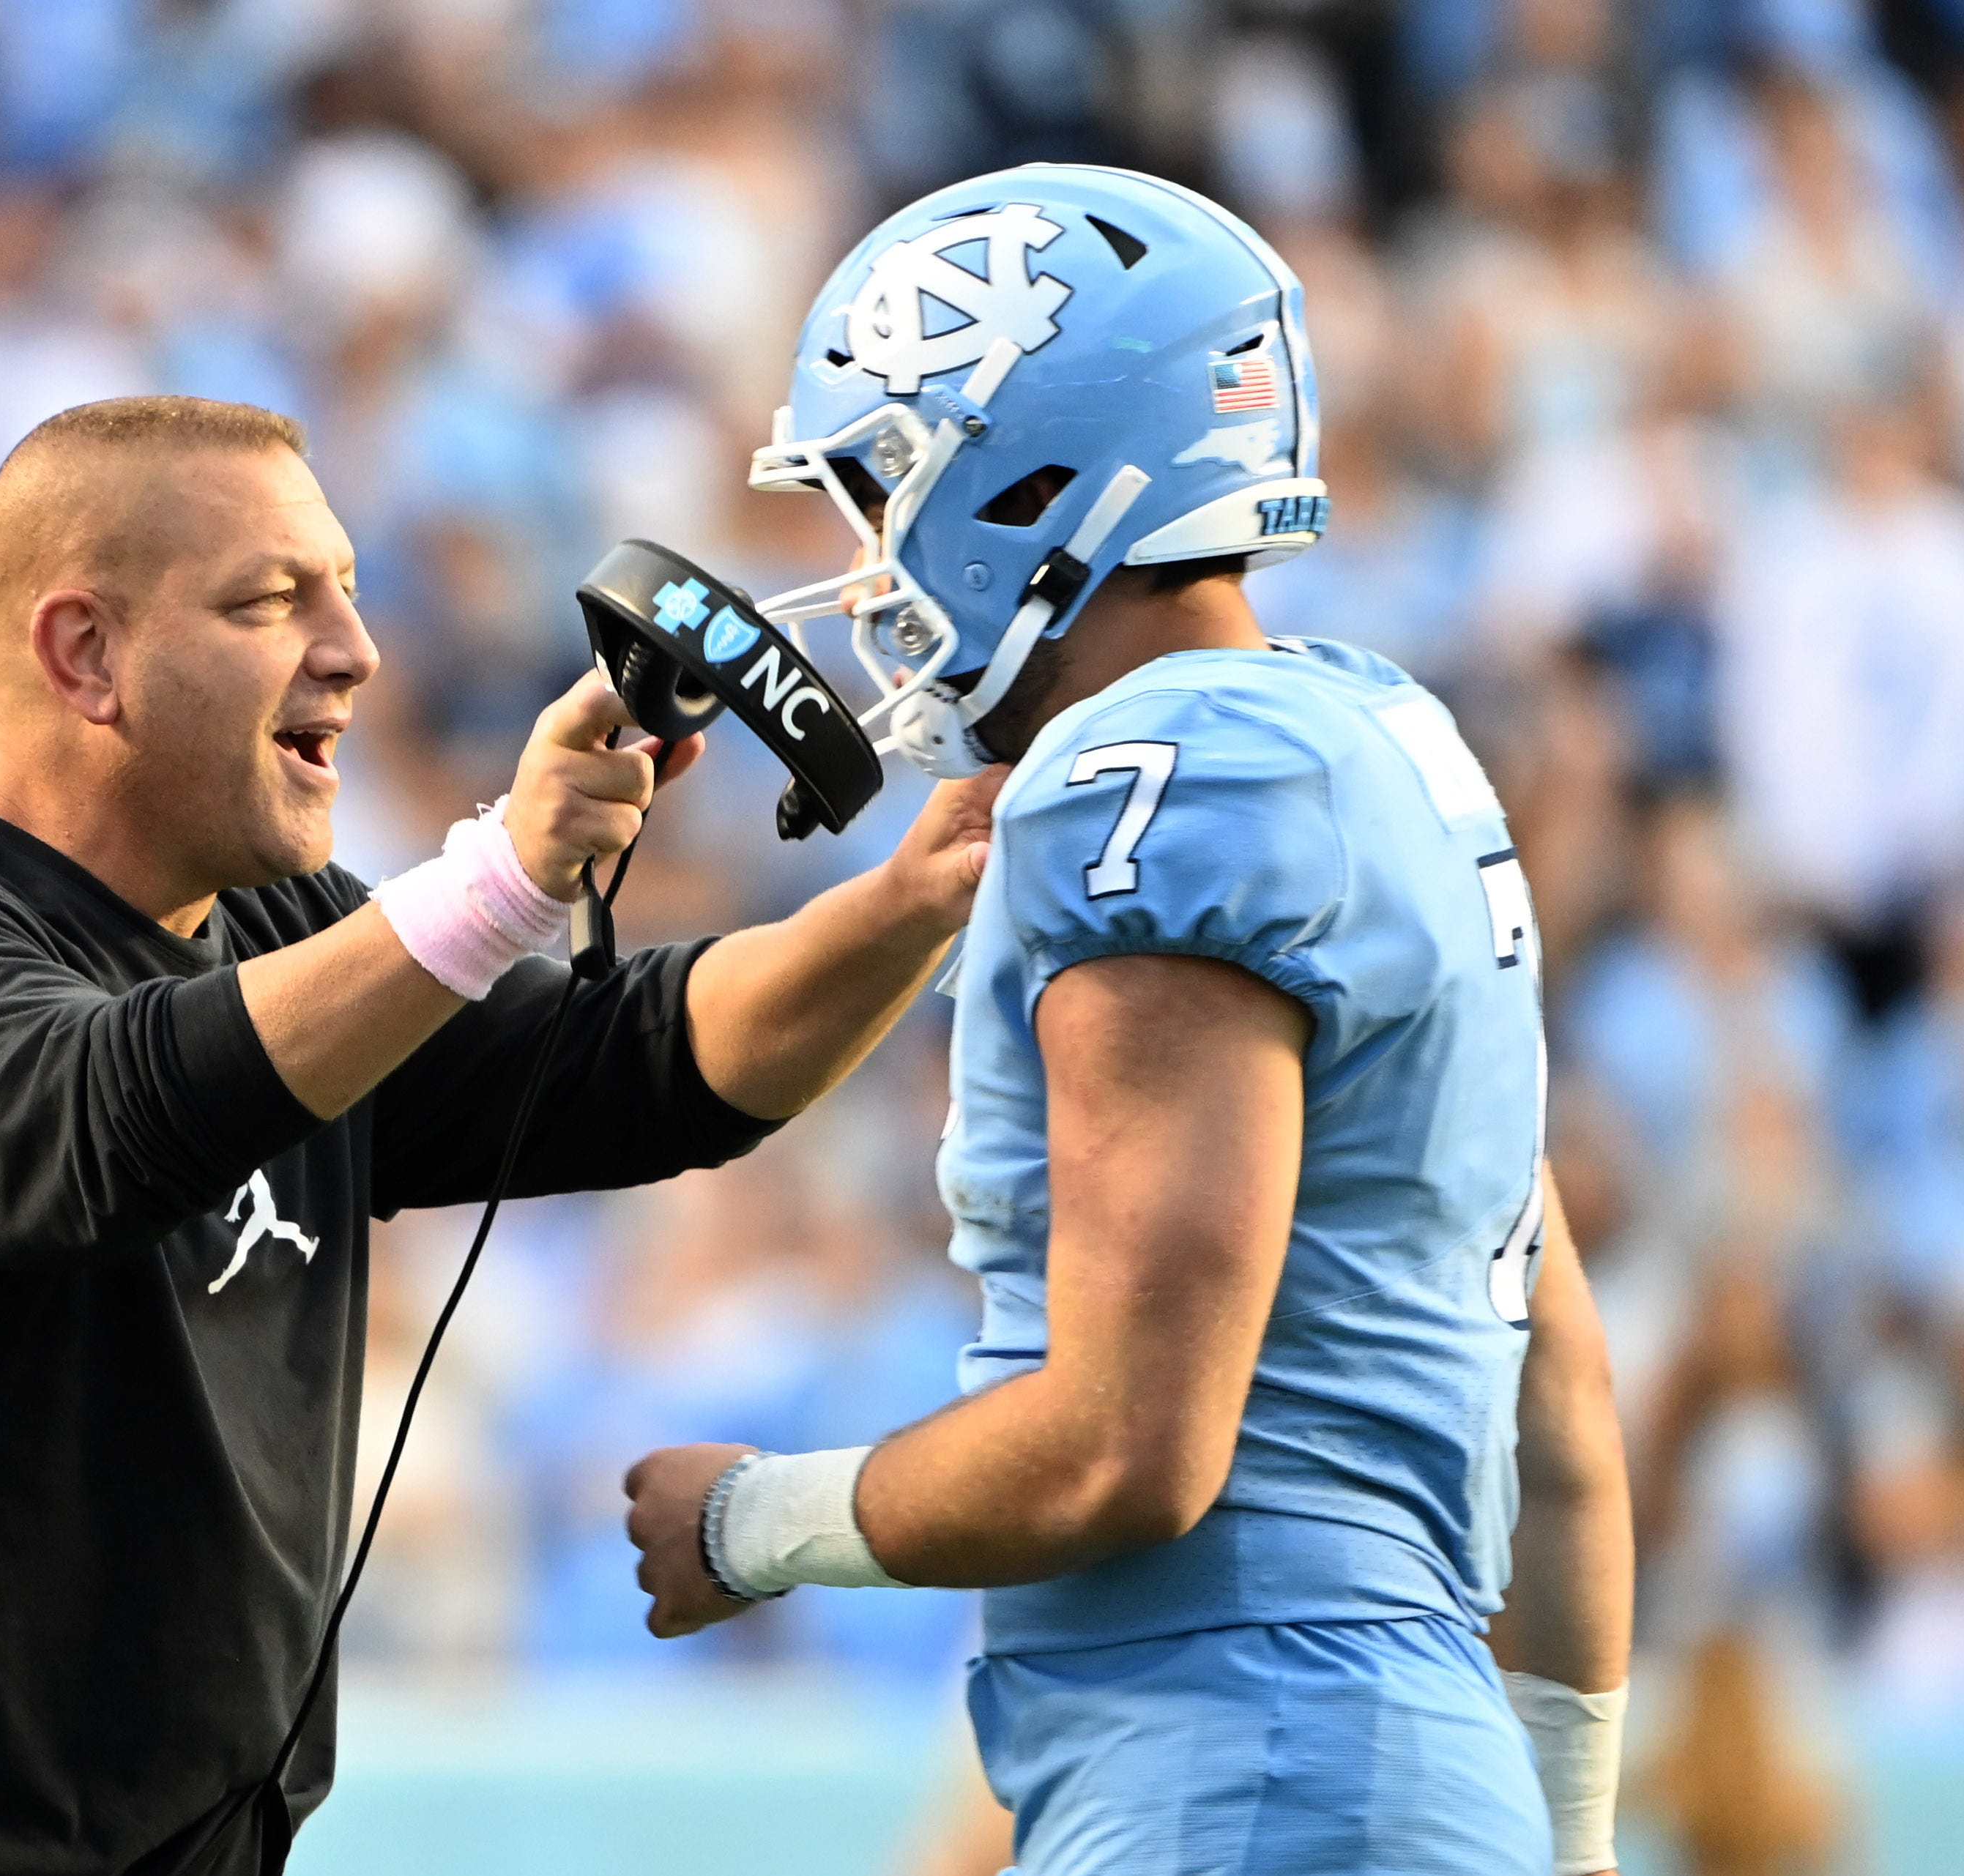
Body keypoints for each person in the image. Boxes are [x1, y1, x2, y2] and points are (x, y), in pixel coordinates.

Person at [0, 394, 998, 1876]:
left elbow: (635, 1066)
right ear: (86, 655)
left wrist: (918, 892)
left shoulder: (276, 929)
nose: (355, 645)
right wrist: (498, 885)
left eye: (342, 584)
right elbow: (121, 1114)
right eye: (272, 600)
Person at [624, 167, 1635, 1876]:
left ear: (1028, 475)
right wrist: (1567, 1835)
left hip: (1247, 1755)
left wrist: (749, 1522)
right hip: (1374, 1762)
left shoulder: (1151, 780)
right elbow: (1563, 1399)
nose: (868, 561)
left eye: (884, 487)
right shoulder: (1378, 740)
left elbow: (1124, 1453)